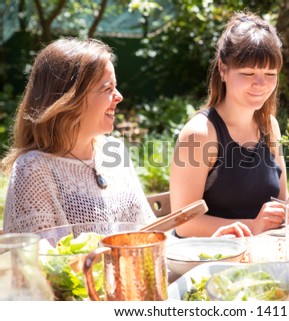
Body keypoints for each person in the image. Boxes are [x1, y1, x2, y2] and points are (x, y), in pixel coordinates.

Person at [1, 37, 250, 238]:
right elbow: (45, 272)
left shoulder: (115, 153)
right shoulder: (33, 170)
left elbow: (148, 236)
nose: (119, 96)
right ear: (69, 101)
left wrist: (211, 244)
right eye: (107, 89)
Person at [169, 12, 288, 238]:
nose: (261, 84)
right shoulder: (200, 133)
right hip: (210, 263)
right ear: (223, 70)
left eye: (270, 73)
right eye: (248, 73)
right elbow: (184, 224)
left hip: (265, 257)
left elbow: (282, 203)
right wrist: (252, 226)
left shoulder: (269, 125)